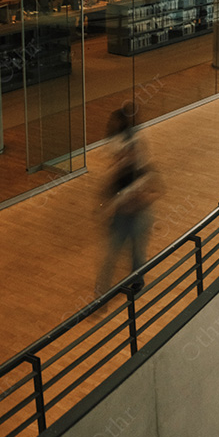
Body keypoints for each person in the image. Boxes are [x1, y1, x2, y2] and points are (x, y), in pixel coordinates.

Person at [95, 106, 158, 296]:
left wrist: (140, 198)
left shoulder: (138, 160)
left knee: (135, 251)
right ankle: (104, 289)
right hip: (125, 213)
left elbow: (154, 187)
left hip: (137, 214)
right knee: (116, 250)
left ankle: (134, 281)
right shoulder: (125, 153)